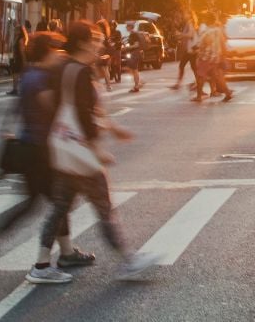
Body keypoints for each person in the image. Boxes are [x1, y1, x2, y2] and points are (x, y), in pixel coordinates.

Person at [29, 21, 158, 284]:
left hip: (65, 147)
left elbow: (61, 107)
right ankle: (129, 260)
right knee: (103, 207)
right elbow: (83, 115)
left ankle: (41, 265)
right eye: (95, 39)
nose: (99, 43)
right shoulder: (80, 72)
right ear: (84, 43)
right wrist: (96, 147)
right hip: (81, 153)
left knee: (60, 207)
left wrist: (112, 128)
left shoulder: (62, 66)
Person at [0, 32, 93, 274]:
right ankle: (58, 254)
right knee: (59, 200)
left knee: (42, 203)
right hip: (38, 151)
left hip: (34, 147)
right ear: (46, 51)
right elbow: (52, 107)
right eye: (56, 50)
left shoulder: (31, 75)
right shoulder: (38, 79)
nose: (60, 55)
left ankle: (66, 251)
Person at [191, 12, 232, 103]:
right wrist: (224, 55)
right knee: (218, 76)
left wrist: (195, 50)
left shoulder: (206, 32)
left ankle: (198, 97)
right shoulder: (218, 30)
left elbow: (200, 45)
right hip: (216, 57)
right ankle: (227, 93)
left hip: (206, 58)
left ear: (207, 20)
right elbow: (223, 43)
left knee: (200, 76)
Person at [172, 12, 197, 90]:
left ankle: (197, 83)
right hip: (189, 50)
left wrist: (180, 34)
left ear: (189, 15)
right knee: (184, 66)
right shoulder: (188, 23)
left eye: (185, 14)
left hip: (191, 50)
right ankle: (178, 84)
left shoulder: (190, 23)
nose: (184, 15)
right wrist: (180, 36)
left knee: (193, 67)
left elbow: (190, 35)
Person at [7, 22, 31, 96]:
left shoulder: (20, 39)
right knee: (16, 74)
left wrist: (24, 61)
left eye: (16, 29)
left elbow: (22, 50)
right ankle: (15, 89)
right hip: (16, 58)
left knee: (19, 74)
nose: (15, 30)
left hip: (19, 59)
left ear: (20, 31)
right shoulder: (17, 38)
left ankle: (20, 89)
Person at [123, 25, 143, 93]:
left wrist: (127, 48)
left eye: (127, 26)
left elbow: (136, 45)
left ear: (130, 27)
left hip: (135, 53)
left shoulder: (134, 34)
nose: (126, 28)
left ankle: (137, 85)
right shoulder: (132, 34)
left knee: (133, 69)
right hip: (134, 53)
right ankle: (138, 84)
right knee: (133, 69)